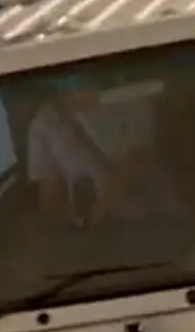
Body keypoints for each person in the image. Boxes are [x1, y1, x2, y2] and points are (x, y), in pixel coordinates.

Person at [24, 77, 179, 227]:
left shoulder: (131, 100)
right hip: (97, 236)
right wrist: (77, 222)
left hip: (154, 221)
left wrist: (102, 208)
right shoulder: (45, 123)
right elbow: (50, 197)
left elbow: (138, 158)